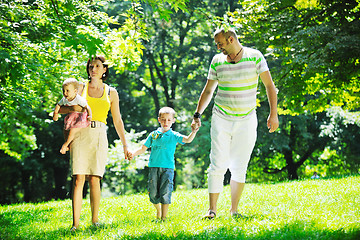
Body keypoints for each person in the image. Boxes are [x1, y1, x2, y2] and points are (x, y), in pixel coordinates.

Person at [191, 28, 279, 219]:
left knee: (240, 165)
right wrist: (197, 114)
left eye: (220, 43)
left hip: (247, 119)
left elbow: (269, 86)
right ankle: (212, 210)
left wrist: (274, 114)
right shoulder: (217, 61)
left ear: (231, 39)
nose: (218, 47)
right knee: (217, 163)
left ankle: (234, 210)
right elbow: (208, 91)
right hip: (221, 117)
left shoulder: (255, 57)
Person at [58, 56, 130, 231]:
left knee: (95, 178)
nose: (93, 69)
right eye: (91, 66)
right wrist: (75, 109)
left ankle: (94, 220)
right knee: (78, 178)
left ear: (104, 69)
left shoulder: (111, 92)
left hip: (99, 134)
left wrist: (125, 145)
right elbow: (60, 108)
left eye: (97, 66)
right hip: (80, 132)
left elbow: (118, 120)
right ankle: (75, 224)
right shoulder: (80, 88)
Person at [129, 107, 198, 221]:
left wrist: (193, 132)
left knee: (165, 192)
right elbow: (143, 148)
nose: (166, 122)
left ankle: (163, 218)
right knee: (153, 193)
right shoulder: (153, 135)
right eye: (163, 119)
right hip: (153, 168)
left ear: (173, 121)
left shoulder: (174, 135)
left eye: (169, 120)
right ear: (159, 120)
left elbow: (187, 139)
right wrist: (133, 154)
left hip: (168, 168)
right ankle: (158, 211)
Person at [53, 78, 92, 154]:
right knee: (65, 128)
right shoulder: (65, 99)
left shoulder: (79, 99)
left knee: (73, 130)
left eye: (67, 91)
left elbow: (87, 107)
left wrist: (90, 115)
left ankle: (66, 144)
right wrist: (55, 114)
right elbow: (58, 105)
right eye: (63, 90)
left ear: (75, 91)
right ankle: (67, 143)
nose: (65, 93)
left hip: (81, 116)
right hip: (72, 115)